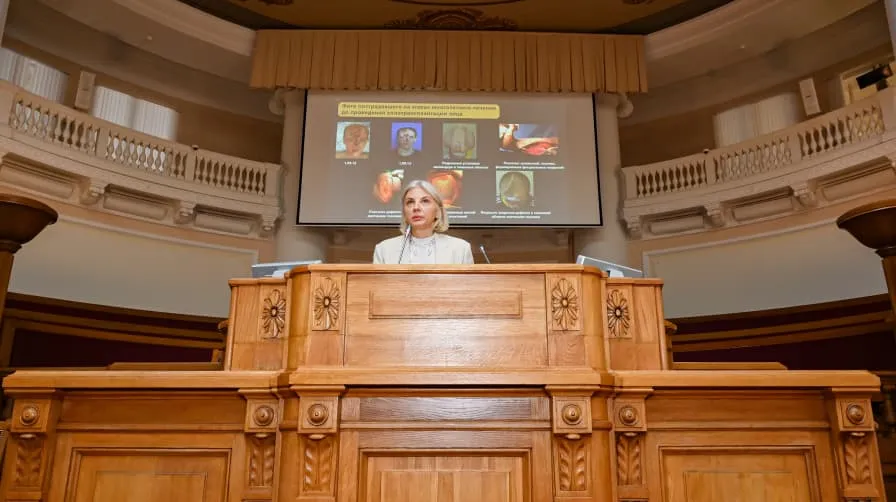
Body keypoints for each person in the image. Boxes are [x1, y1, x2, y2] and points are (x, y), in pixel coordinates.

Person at [373, 180, 474, 264]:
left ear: (437, 211)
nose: (416, 207)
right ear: (404, 212)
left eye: (425, 201)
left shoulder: (461, 249)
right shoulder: (383, 250)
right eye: (410, 202)